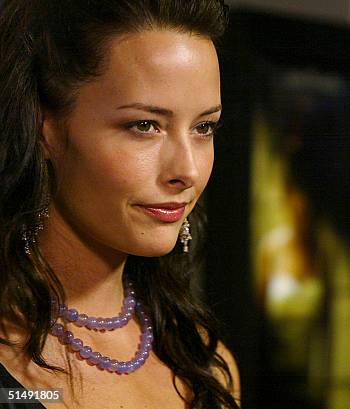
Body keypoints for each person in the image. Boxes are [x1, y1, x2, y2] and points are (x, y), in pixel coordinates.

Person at [0, 0, 240, 408]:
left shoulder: (205, 362)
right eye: (144, 126)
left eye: (204, 127)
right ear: (44, 129)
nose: (187, 170)